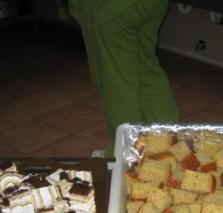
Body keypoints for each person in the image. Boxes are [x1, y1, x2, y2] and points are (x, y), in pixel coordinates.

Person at [69, 0, 179, 157]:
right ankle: (168, 150)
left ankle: (124, 157)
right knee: (146, 71)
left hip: (112, 8)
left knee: (116, 84)